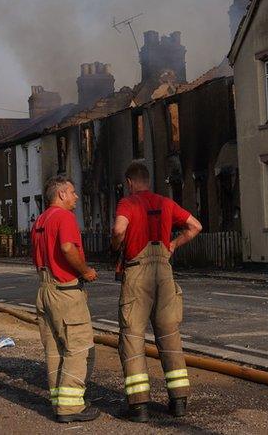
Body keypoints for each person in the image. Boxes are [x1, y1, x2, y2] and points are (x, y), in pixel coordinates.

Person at [111, 162, 202, 422]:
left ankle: (139, 406)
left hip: (137, 272)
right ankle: (179, 400)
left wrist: (116, 244)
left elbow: (119, 229)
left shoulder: (128, 203)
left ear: (130, 182)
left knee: (132, 336)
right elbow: (195, 226)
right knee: (170, 334)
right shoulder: (165, 203)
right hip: (164, 272)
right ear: (148, 181)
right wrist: (173, 244)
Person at [31, 175, 100, 424]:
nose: (76, 197)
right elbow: (68, 248)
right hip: (64, 290)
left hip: (44, 289)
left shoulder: (40, 220)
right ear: (61, 194)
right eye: (72, 192)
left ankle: (59, 400)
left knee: (54, 350)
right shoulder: (64, 217)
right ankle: (70, 408)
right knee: (78, 348)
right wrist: (85, 272)